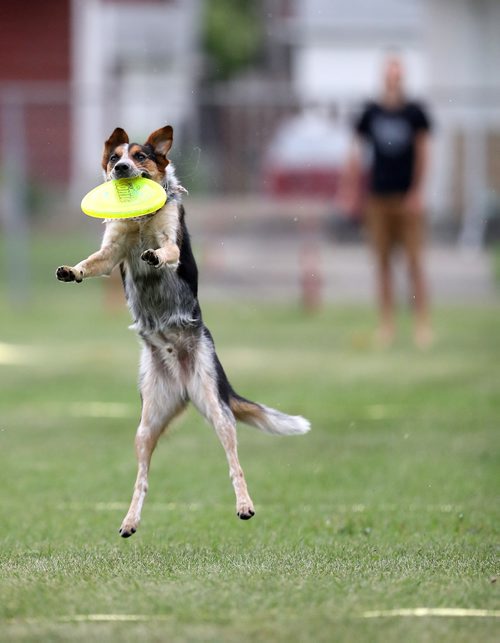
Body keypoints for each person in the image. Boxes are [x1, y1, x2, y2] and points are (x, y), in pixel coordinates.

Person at [346, 55, 433, 348]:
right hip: (378, 198)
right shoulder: (370, 112)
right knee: (382, 264)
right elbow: (356, 153)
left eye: (397, 73)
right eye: (389, 73)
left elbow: (423, 152)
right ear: (384, 77)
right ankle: (387, 325)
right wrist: (352, 190)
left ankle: (422, 325)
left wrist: (418, 191)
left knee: (414, 264)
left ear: (403, 77)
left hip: (406, 198)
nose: (393, 78)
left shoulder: (415, 113)